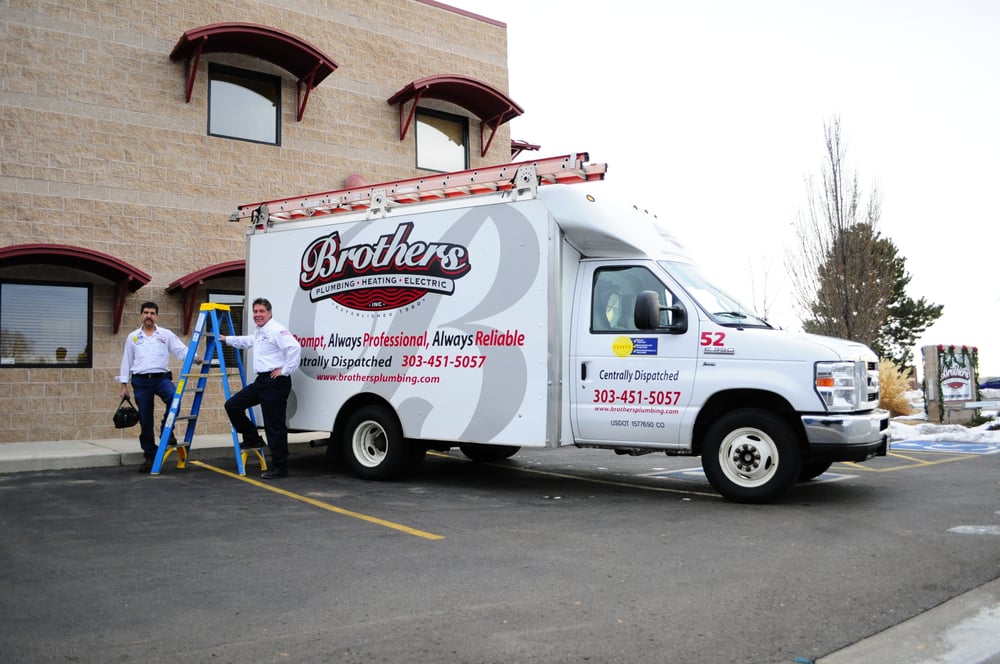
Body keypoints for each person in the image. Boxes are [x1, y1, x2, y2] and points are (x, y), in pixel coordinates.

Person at [219, 297, 301, 479]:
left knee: (274, 426)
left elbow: (295, 348)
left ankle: (280, 468)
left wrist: (285, 370)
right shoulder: (260, 332)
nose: (258, 315)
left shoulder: (276, 329)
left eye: (261, 311)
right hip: (262, 382)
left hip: (275, 383)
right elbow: (248, 341)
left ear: (270, 313)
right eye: (255, 312)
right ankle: (252, 438)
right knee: (232, 405)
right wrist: (227, 339)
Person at [117, 301, 195, 473]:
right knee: (145, 418)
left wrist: (195, 357)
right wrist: (123, 385)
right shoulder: (133, 337)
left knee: (175, 399)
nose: (149, 316)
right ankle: (149, 455)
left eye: (152, 313)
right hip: (140, 382)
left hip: (161, 379)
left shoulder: (165, 335)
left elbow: (181, 350)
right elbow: (126, 361)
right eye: (146, 313)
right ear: (141, 315)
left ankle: (166, 432)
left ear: (156, 316)